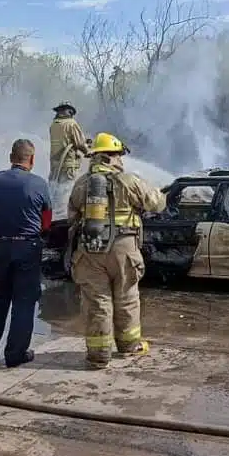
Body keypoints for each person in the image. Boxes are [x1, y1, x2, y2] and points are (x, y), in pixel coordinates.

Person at [67, 132, 167, 369]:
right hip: (124, 248)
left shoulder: (82, 183)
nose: (121, 160)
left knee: (97, 302)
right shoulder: (129, 181)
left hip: (91, 250)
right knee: (127, 297)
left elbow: (72, 215)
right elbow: (158, 203)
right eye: (119, 156)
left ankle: (99, 356)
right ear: (111, 156)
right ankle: (129, 345)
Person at [0, 138, 52, 369]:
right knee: (24, 301)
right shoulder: (39, 183)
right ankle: (15, 353)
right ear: (32, 159)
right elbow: (46, 221)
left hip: (0, 246)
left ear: (11, 158)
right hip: (28, 248)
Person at [49, 101, 89, 188]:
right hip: (68, 167)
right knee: (66, 192)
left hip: (55, 167)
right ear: (70, 111)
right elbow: (80, 143)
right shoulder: (71, 123)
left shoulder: (53, 125)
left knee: (55, 191)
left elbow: (65, 140)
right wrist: (89, 152)